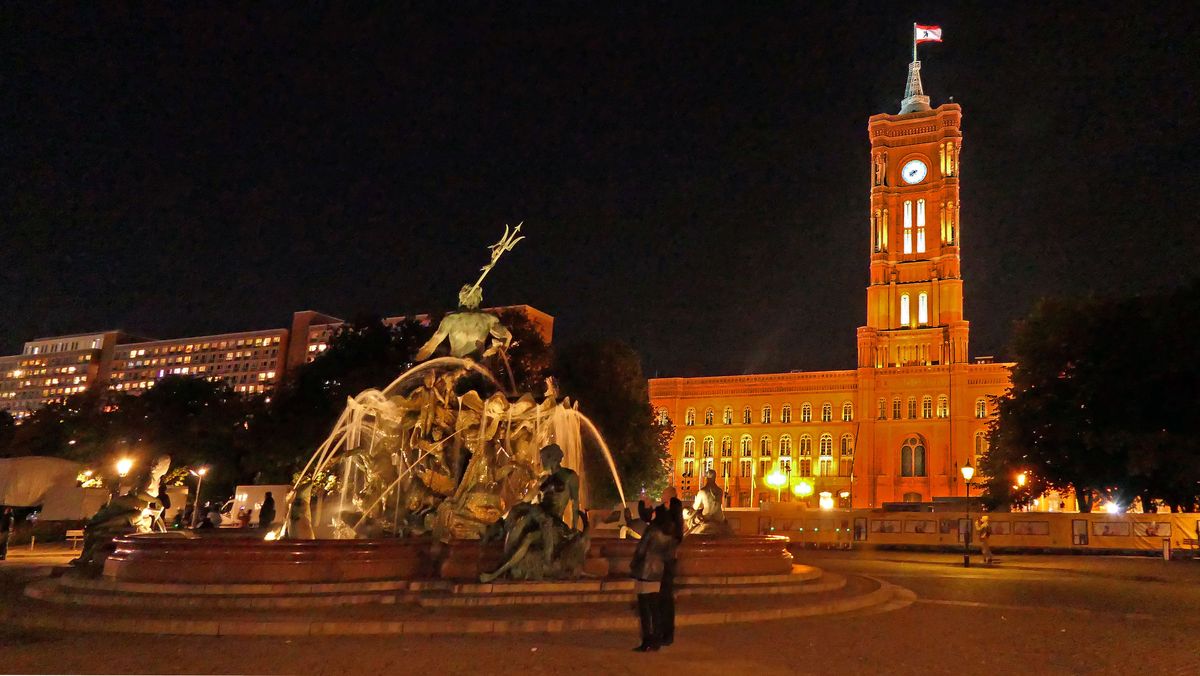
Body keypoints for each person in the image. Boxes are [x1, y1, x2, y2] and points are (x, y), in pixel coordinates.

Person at [637, 487, 684, 646]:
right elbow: (648, 518)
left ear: (670, 497)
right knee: (660, 598)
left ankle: (666, 634)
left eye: (664, 493)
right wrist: (645, 506)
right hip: (661, 560)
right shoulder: (663, 510)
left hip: (665, 561)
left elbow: (674, 534)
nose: (662, 495)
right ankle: (661, 634)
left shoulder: (674, 511)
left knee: (665, 597)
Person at [630, 505, 678, 652]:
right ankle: (656, 640)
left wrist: (633, 564)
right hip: (658, 572)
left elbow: (641, 550)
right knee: (655, 608)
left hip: (645, 571)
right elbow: (669, 556)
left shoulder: (652, 531)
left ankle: (647, 641)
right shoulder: (670, 534)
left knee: (645, 609)